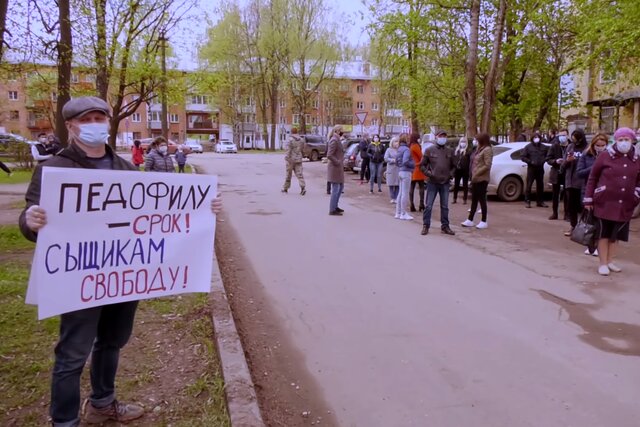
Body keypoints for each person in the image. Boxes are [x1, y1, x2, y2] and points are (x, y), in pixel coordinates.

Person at [18, 96, 225, 427]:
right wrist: (30, 221)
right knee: (72, 354)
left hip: (123, 275)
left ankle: (102, 403)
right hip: (79, 278)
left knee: (112, 341)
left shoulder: (125, 169)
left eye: (100, 117)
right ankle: (64, 421)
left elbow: (156, 212)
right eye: (86, 120)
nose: (94, 125)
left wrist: (202, 209)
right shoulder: (54, 170)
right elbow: (29, 223)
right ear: (70, 126)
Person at [583, 127, 640, 276]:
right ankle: (602, 263)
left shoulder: (636, 158)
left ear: (632, 140)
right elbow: (593, 177)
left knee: (616, 235)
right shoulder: (605, 156)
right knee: (604, 234)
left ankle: (610, 261)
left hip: (625, 203)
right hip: (604, 202)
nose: (623, 142)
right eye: (620, 140)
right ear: (615, 141)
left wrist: (636, 195)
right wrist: (588, 198)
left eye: (626, 139)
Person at [577, 133, 608, 257]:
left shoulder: (610, 156)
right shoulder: (586, 155)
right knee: (590, 220)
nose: (600, 147)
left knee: (601, 220)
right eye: (598, 145)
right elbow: (579, 173)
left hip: (604, 192)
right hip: (588, 191)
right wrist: (594, 167)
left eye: (603, 145)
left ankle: (598, 245)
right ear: (593, 145)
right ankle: (590, 245)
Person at [420, 130, 455, 236]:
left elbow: (454, 166)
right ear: (436, 137)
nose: (443, 138)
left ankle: (445, 226)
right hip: (432, 182)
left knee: (445, 206)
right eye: (441, 136)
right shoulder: (429, 150)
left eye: (444, 136)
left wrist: (450, 174)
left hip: (445, 182)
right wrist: (429, 173)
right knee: (429, 205)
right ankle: (426, 225)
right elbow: (422, 165)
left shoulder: (449, 151)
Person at [461, 133, 493, 229]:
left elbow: (487, 165)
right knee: (474, 199)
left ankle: (484, 221)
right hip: (475, 178)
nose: (476, 141)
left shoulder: (487, 150)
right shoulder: (479, 149)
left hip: (482, 178)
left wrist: (477, 173)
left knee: (482, 200)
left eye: (477, 140)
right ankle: (470, 219)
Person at [561, 129, 589, 235]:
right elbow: (563, 165)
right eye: (573, 139)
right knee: (571, 206)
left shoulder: (587, 148)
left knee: (583, 207)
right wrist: (567, 161)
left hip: (583, 182)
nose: (575, 142)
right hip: (571, 181)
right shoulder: (570, 147)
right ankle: (573, 227)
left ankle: (584, 228)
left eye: (577, 139)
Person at [545, 129, 569, 220]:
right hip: (556, 172)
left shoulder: (570, 146)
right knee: (555, 194)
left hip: (567, 173)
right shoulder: (554, 146)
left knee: (567, 194)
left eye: (564, 135)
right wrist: (555, 161)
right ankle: (555, 213)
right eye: (560, 135)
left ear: (568, 135)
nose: (562, 137)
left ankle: (567, 214)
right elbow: (548, 159)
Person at [521, 131, 549, 208]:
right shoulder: (528, 147)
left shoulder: (543, 147)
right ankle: (527, 201)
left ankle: (540, 201)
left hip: (540, 168)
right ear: (532, 138)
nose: (536, 139)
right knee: (529, 185)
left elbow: (548, 156)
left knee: (540, 185)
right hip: (531, 168)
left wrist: (544, 160)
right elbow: (523, 157)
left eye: (538, 137)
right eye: (535, 138)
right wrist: (530, 161)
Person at [395, 133, 414, 220]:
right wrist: (412, 164)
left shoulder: (399, 149)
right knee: (405, 193)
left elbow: (396, 161)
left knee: (400, 193)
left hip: (400, 171)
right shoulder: (406, 149)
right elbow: (405, 161)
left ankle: (398, 212)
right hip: (406, 172)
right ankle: (403, 213)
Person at [282, 127, 306, 195]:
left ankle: (285, 188)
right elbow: (303, 149)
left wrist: (286, 158)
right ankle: (303, 187)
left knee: (288, 174)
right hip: (298, 159)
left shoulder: (290, 140)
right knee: (299, 174)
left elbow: (288, 150)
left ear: (291, 132)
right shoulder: (301, 140)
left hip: (291, 160)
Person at [327, 125, 345, 215]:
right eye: (342, 130)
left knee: (340, 187)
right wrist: (337, 162)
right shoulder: (334, 140)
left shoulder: (338, 139)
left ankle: (335, 206)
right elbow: (329, 154)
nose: (343, 132)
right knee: (336, 188)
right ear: (338, 131)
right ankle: (332, 209)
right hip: (335, 168)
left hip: (338, 168)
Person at [409, 133, 426, 211]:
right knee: (421, 187)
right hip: (417, 168)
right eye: (419, 138)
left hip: (412, 169)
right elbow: (421, 157)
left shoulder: (410, 146)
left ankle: (411, 204)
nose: (420, 139)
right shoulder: (415, 146)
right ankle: (421, 204)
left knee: (411, 187)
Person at [452, 136, 471, 204]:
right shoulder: (456, 150)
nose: (463, 143)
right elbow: (453, 159)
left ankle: (464, 199)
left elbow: (469, 161)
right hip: (457, 170)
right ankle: (454, 198)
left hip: (465, 171)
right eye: (462, 141)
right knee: (456, 185)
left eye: (464, 142)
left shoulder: (468, 151)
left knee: (465, 185)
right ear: (459, 142)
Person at [384, 137, 400, 203]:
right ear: (392, 142)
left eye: (397, 141)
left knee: (397, 184)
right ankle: (392, 197)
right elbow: (386, 158)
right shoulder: (388, 150)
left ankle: (396, 197)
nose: (396, 143)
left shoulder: (399, 150)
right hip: (391, 168)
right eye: (395, 141)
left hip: (398, 169)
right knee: (391, 184)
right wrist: (393, 160)